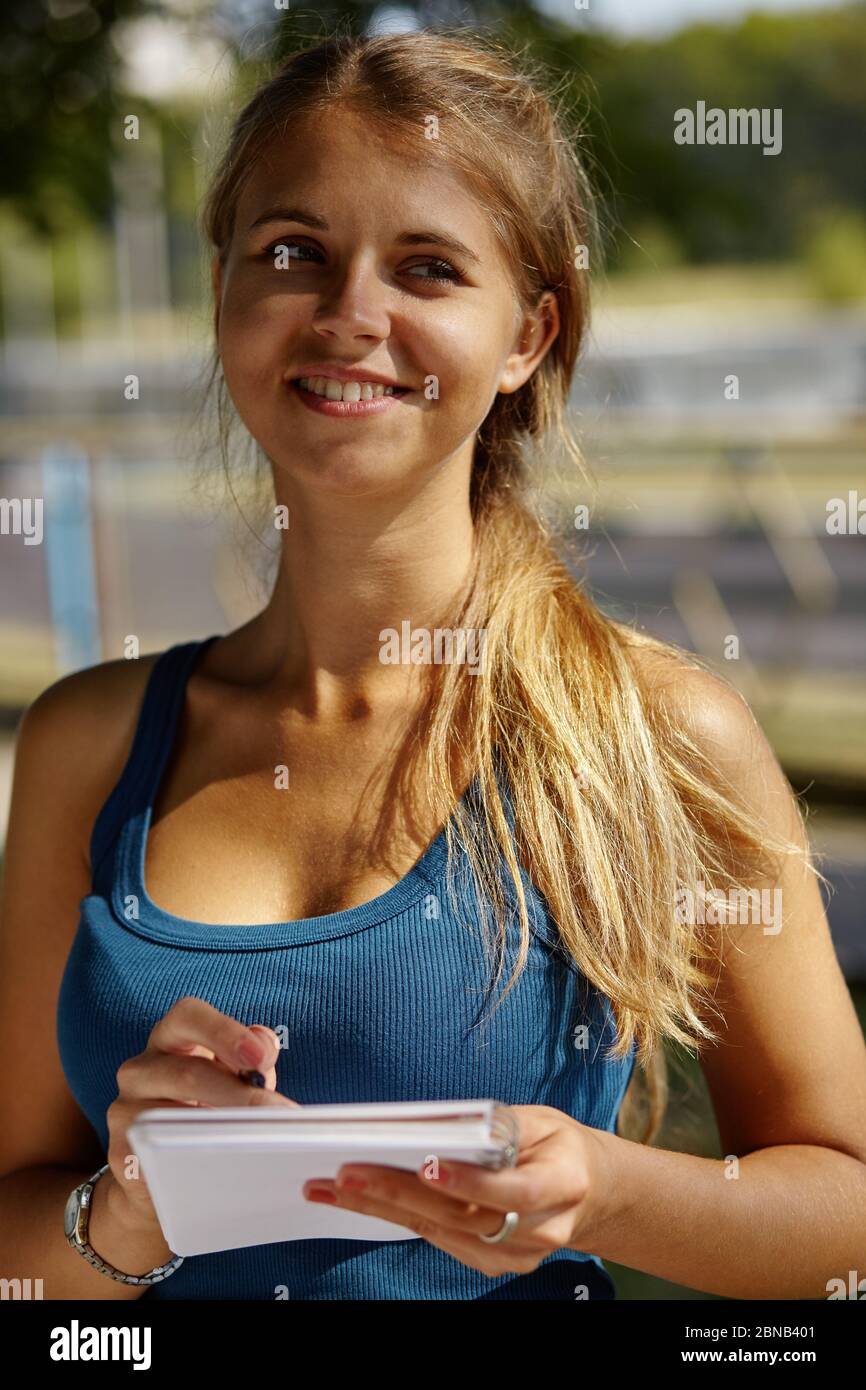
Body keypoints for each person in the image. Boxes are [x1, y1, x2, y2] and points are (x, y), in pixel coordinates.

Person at [1, 29, 864, 1302]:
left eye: (426, 267)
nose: (350, 314)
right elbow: (23, 1249)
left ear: (526, 335)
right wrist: (127, 1208)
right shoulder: (86, 741)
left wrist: (607, 1188)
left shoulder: (659, 736)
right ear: (226, 295)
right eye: (292, 253)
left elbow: (841, 1202)